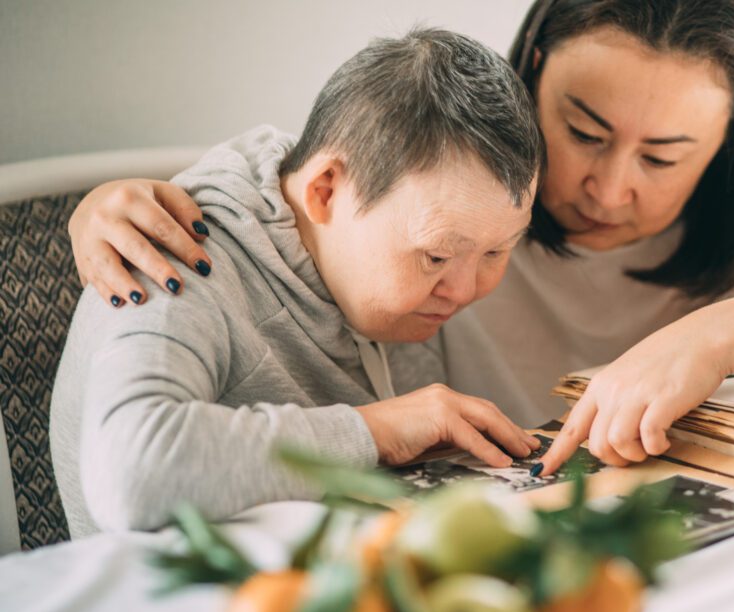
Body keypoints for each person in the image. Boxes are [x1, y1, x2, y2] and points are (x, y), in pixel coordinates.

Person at [67, 0, 734, 483]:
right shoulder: (460, 202)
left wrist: (712, 339)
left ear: (729, 142)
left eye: (666, 154)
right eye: (585, 129)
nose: (610, 188)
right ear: (531, 70)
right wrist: (108, 204)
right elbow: (305, 196)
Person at [51, 28, 544, 537]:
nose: (464, 291)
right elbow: (130, 474)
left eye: (496, 251)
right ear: (325, 191)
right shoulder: (173, 257)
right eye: (436, 255)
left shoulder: (395, 230)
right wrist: (375, 431)